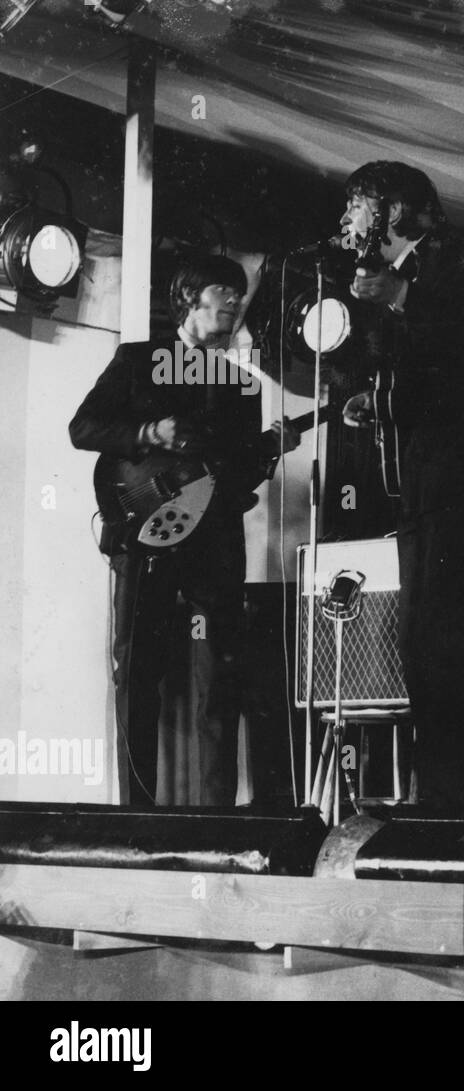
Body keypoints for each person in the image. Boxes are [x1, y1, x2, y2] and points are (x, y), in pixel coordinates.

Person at [70, 254, 300, 806]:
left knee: (218, 678)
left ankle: (216, 817)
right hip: (146, 532)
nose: (235, 300)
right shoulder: (139, 360)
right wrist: (151, 430)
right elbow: (84, 428)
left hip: (215, 542)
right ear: (190, 296)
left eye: (239, 293)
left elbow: (240, 479)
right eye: (224, 289)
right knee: (138, 675)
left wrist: (270, 451)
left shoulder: (243, 385)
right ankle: (135, 814)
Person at [339, 161, 464, 810]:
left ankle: (456, 800)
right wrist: (377, 397)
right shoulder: (414, 274)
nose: (351, 221)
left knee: (439, 632)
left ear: (393, 210)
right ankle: (444, 794)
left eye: (359, 206)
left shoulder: (451, 260)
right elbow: (429, 373)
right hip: (433, 475)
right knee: (423, 635)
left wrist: (397, 298)